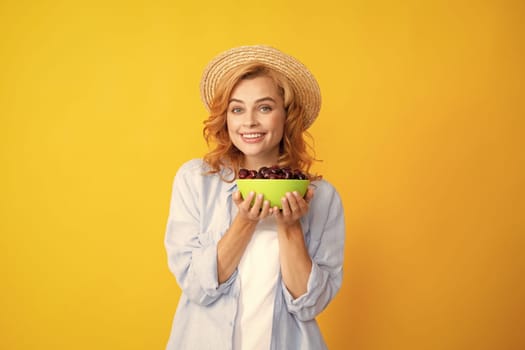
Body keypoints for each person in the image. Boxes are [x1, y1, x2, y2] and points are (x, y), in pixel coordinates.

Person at [164, 45, 345, 350]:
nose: (249, 121)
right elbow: (197, 287)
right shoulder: (196, 181)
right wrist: (245, 222)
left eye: (264, 107)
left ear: (286, 115)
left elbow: (309, 304)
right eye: (237, 109)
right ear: (226, 118)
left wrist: (290, 228)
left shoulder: (322, 198)